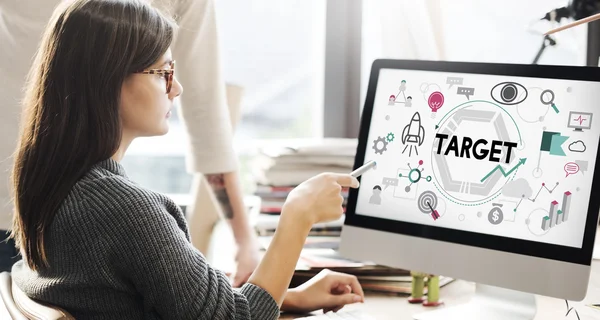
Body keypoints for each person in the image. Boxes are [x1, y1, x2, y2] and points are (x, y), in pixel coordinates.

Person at [8, 0, 365, 318]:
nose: (176, 88)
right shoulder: (124, 210)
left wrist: (288, 297)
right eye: (163, 73)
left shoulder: (52, 186)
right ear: (109, 80)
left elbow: (166, 299)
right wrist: (298, 214)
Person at [0, 0, 261, 285]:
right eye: (162, 73)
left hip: (34, 202)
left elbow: (206, 115)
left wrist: (242, 240)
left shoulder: (121, 207)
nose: (175, 88)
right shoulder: (132, 214)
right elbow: (206, 113)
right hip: (36, 214)